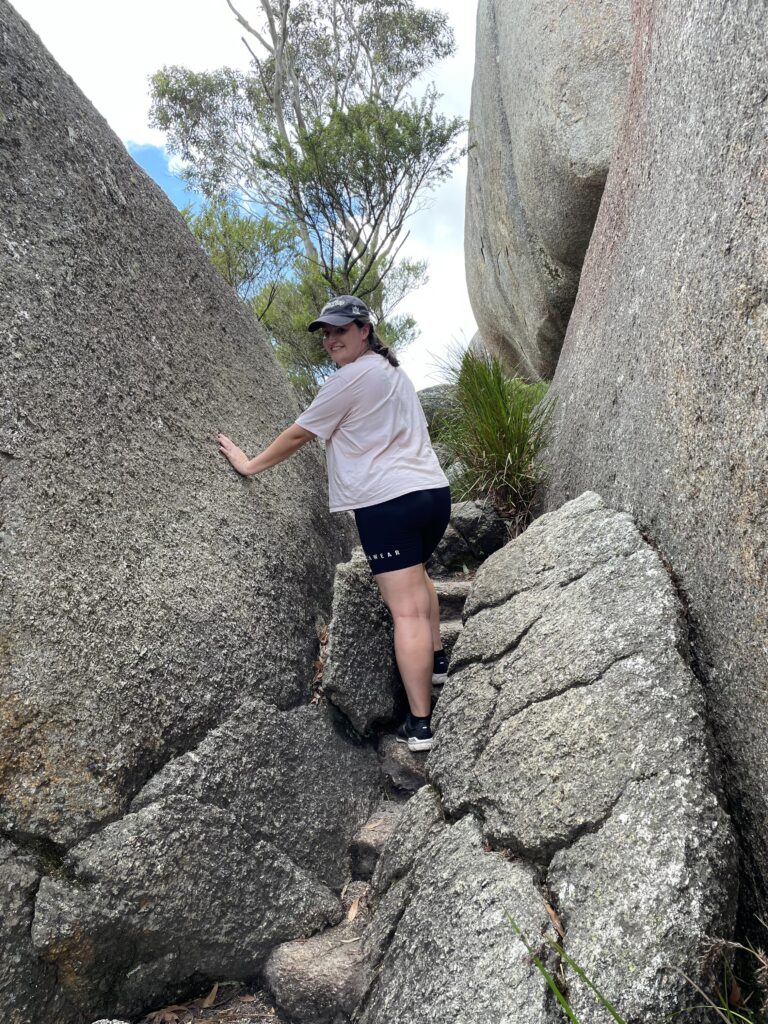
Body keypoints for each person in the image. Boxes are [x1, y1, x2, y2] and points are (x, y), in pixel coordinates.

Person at [217, 295, 451, 751]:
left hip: (389, 502)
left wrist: (249, 465)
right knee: (419, 579)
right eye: (325, 333)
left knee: (405, 612)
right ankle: (438, 660)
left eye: (339, 330)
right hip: (432, 495)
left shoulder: (352, 378)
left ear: (364, 330)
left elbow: (299, 434)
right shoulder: (392, 372)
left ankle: (420, 725)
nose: (330, 340)